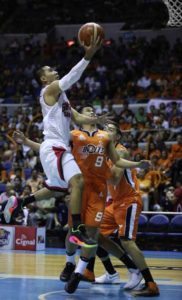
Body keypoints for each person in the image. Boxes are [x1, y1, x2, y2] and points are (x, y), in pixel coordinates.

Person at [4, 37, 108, 248]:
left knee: (57, 188)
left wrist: (96, 120)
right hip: (54, 146)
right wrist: (88, 55)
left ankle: (20, 202)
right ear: (44, 78)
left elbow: (78, 119)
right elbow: (72, 77)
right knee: (77, 181)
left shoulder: (63, 98)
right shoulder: (49, 91)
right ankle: (77, 231)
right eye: (50, 70)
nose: (54, 71)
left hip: (53, 148)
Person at [84, 122, 159, 297]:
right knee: (95, 233)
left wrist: (95, 169)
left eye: (110, 130)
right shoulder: (103, 153)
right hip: (114, 203)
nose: (105, 132)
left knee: (126, 241)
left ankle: (150, 283)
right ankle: (116, 272)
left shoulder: (120, 151)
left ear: (117, 137)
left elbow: (115, 179)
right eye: (104, 130)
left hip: (129, 200)